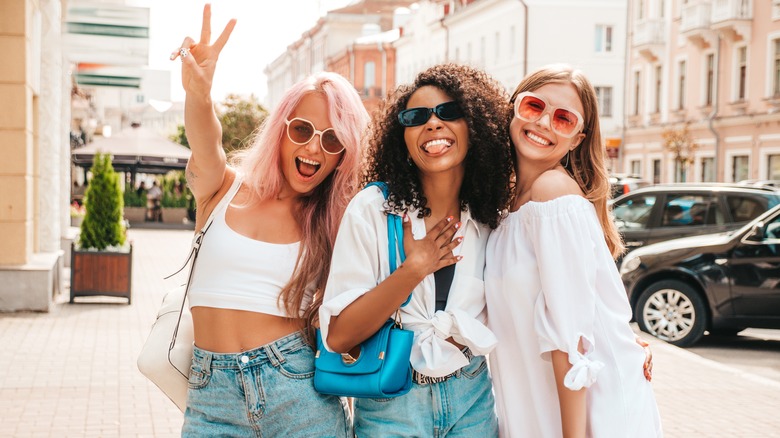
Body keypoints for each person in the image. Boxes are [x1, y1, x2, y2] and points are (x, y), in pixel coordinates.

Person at [170, 5, 367, 436]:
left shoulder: (336, 220)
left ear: (342, 156)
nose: (314, 147)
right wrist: (199, 94)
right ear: (280, 130)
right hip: (211, 396)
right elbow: (207, 141)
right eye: (302, 130)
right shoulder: (222, 189)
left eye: (332, 139)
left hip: (298, 393)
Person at [319, 64, 513, 437]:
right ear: (402, 138)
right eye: (416, 116)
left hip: (471, 398)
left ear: (475, 127)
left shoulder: (493, 217)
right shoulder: (373, 209)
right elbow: (340, 336)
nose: (434, 124)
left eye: (449, 112)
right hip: (393, 400)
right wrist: (412, 270)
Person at [484, 64, 663, 437]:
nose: (545, 123)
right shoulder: (506, 209)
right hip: (538, 406)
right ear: (514, 107)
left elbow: (571, 339)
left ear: (577, 138)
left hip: (590, 415)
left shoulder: (554, 194)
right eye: (535, 107)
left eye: (563, 118)